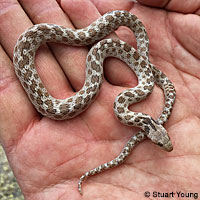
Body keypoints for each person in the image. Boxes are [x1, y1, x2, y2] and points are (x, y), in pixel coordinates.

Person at [0, 0, 199, 199]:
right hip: (90, 49)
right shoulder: (130, 95)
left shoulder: (130, 102)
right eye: (162, 141)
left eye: (161, 142)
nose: (167, 145)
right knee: (85, 44)